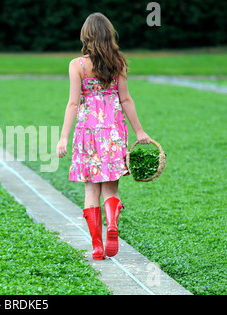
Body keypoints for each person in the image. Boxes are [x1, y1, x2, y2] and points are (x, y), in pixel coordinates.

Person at [56, 13, 151, 260]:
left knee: (91, 190)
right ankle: (112, 224)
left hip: (87, 132)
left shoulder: (77, 65)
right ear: (109, 35)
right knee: (111, 188)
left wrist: (63, 137)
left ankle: (97, 246)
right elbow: (126, 99)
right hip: (114, 130)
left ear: (86, 36)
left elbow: (73, 104)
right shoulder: (118, 62)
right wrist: (139, 131)